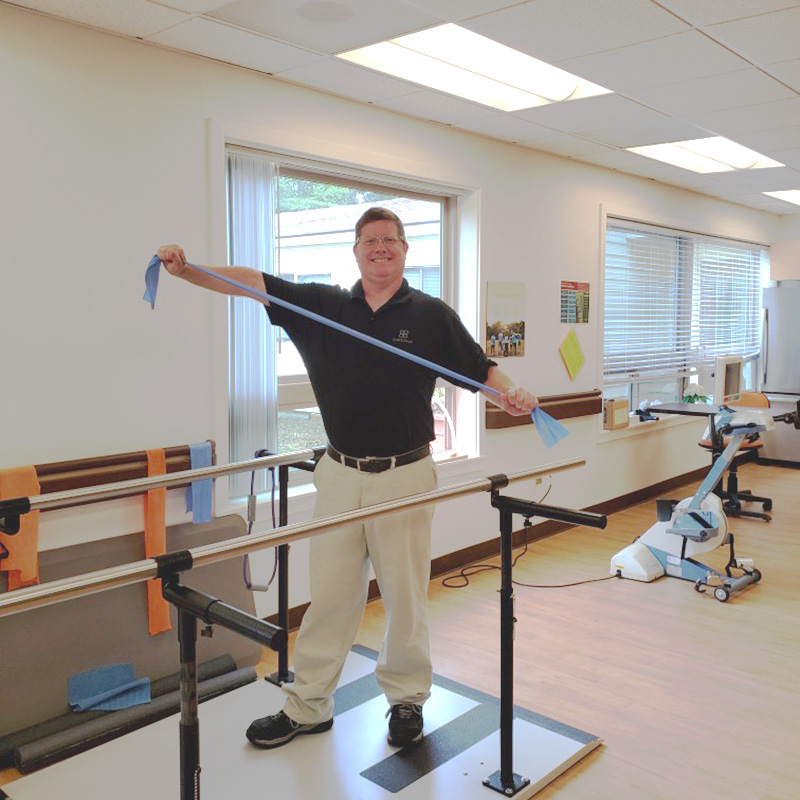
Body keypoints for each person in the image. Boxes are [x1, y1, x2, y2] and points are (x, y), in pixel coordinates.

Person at [157, 207, 537, 751]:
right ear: (355, 251)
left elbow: (479, 371)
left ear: (405, 250)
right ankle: (308, 705)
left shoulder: (431, 315)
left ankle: (406, 700)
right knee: (330, 597)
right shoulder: (325, 306)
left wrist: (513, 393)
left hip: (405, 476)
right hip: (339, 474)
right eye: (370, 240)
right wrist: (188, 270)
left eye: (390, 240)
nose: (380, 248)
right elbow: (252, 284)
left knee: (405, 597)